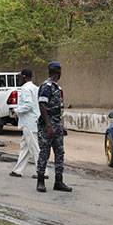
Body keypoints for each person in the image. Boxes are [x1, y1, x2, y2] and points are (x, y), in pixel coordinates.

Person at [36, 61, 72, 193]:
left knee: (60, 153)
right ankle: (40, 181)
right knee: (44, 153)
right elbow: (42, 106)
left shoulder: (57, 87)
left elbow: (57, 109)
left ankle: (58, 181)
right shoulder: (47, 86)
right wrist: (49, 125)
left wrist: (59, 126)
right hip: (47, 125)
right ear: (58, 72)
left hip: (56, 124)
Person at [9, 69, 48, 179]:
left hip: (29, 122)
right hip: (33, 120)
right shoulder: (35, 88)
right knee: (25, 147)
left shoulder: (26, 88)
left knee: (34, 147)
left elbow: (28, 105)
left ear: (24, 77)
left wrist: (16, 110)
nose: (20, 79)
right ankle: (18, 170)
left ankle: (42, 171)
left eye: (21, 77)